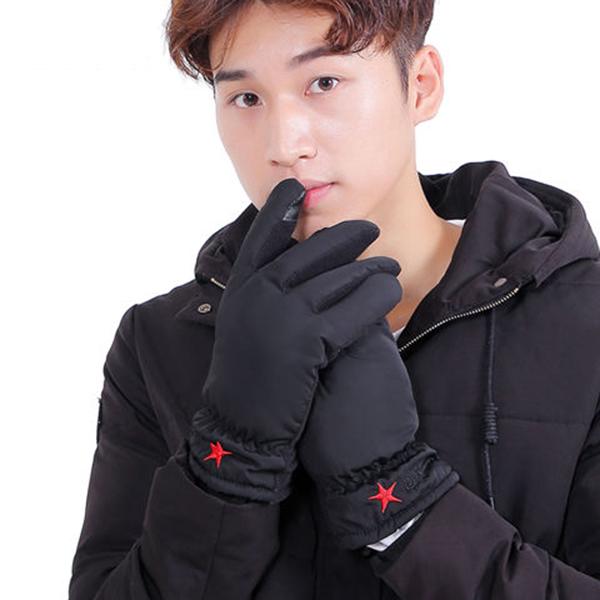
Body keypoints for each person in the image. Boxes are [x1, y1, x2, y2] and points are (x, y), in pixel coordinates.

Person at [68, 1, 600, 598]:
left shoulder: (586, 326)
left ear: (421, 86)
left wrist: (403, 501)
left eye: (324, 82)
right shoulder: (159, 340)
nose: (284, 144)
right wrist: (232, 450)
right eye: (246, 97)